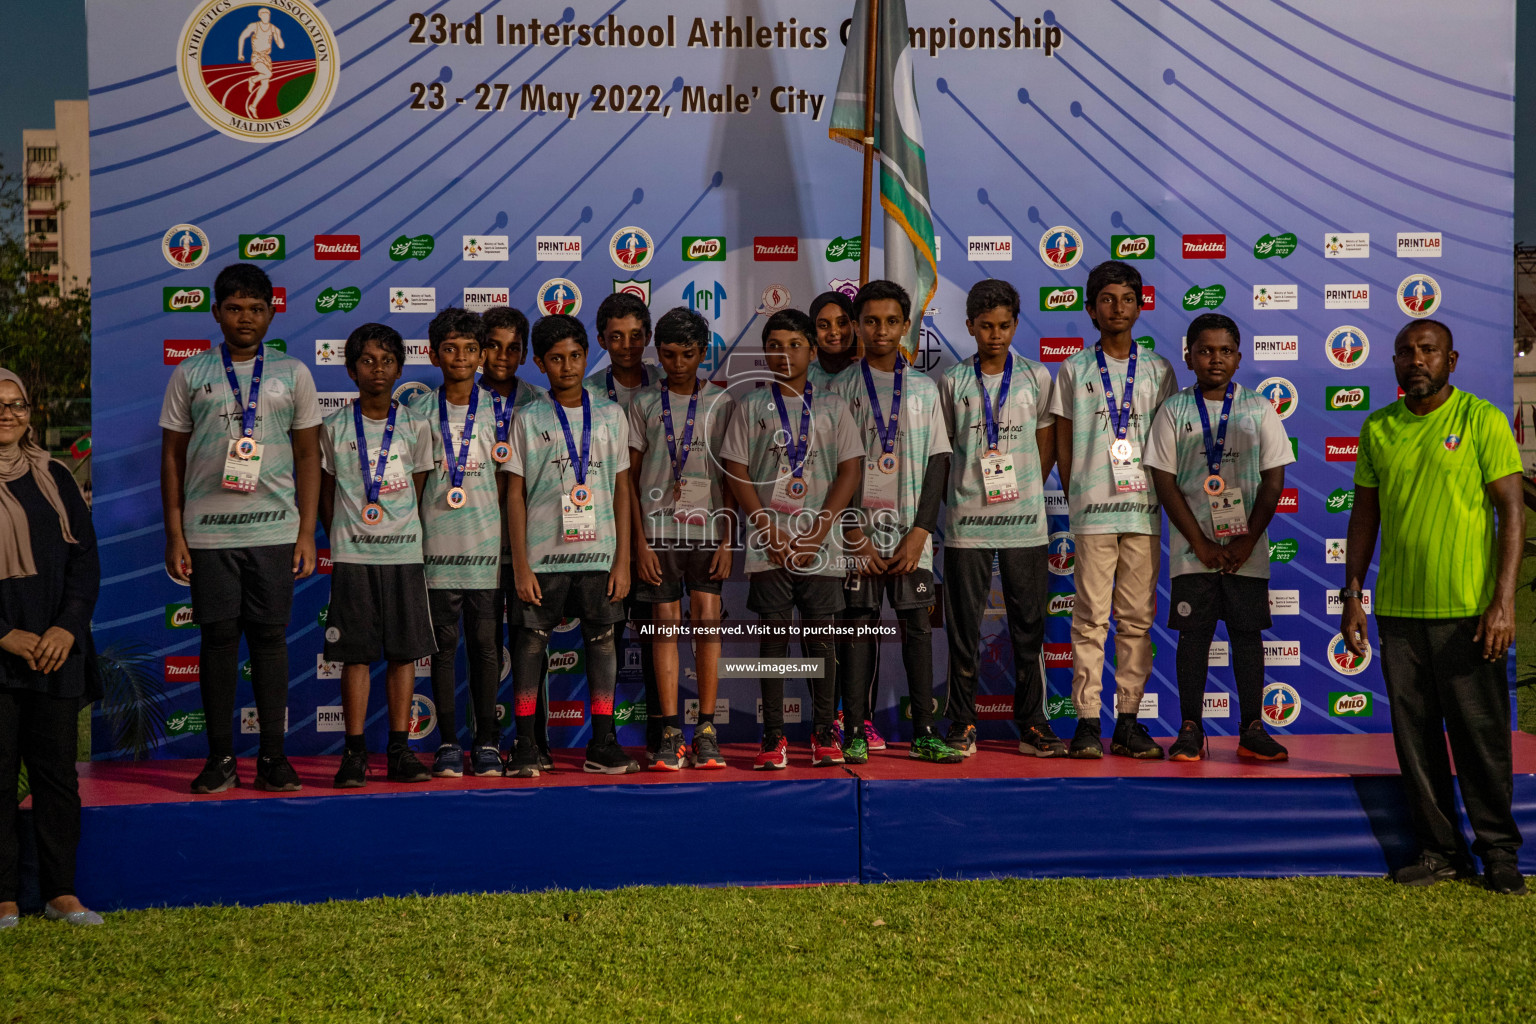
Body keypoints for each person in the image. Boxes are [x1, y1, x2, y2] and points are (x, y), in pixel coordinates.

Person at [1343, 319, 1527, 895]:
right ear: (1395, 362)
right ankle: (1441, 851)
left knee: (1481, 739)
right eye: (1406, 351)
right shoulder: (1378, 428)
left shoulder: (1481, 419)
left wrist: (1502, 604)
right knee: (1416, 742)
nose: (1416, 359)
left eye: (1428, 350)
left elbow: (1512, 512)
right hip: (1399, 614)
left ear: (1452, 359)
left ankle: (1498, 852)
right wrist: (1353, 596)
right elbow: (1364, 518)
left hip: (1470, 613)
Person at [160, 263, 320, 794]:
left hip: (275, 531)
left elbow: (306, 456)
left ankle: (273, 758)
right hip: (208, 535)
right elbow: (172, 459)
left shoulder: (293, 373)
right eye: (234, 308)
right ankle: (221, 757)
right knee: (218, 642)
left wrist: (305, 534)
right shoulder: (190, 373)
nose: (245, 318)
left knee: (271, 641)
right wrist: (176, 534)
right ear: (216, 312)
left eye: (256, 308)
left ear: (271, 313)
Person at [1144, 313, 1292, 762]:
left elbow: (1273, 481)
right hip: (1194, 553)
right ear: (1189, 356)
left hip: (1247, 549)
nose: (1215, 359)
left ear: (1239, 358)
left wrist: (1246, 540)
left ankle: (1252, 727)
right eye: (1205, 350)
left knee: (1247, 635)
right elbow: (1164, 482)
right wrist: (1202, 544)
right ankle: (1190, 728)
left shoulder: (1258, 408)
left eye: (1225, 351)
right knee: (1194, 637)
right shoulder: (1175, 410)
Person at [721, 309, 863, 769]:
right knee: (775, 641)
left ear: (812, 349)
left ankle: (824, 732)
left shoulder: (833, 405)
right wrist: (764, 525)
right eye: (774, 346)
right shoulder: (750, 406)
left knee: (822, 639)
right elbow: (737, 471)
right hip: (770, 545)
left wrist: (820, 529)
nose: (783, 354)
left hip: (822, 545)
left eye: (794, 345)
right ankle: (773, 737)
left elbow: (850, 471)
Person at [1049, 259, 1177, 759]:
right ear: (1090, 308)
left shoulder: (1159, 370)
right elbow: (1063, 442)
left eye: (1126, 299)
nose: (1117, 308)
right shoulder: (1075, 369)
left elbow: (1166, 444)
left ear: (1140, 307)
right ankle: (1086, 720)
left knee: (1137, 621)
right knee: (1088, 620)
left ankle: (1127, 720)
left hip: (1143, 511)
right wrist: (1078, 487)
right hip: (1094, 511)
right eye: (1106, 299)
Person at [506, 314, 638, 777]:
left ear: (587, 356)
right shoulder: (528, 417)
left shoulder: (610, 414)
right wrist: (521, 566)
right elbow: (515, 496)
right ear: (540, 364)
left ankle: (603, 743)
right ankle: (525, 744)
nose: (567, 366)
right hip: (542, 559)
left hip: (600, 556)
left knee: (602, 645)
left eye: (575, 356)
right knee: (529, 647)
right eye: (556, 359)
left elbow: (623, 489)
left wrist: (622, 559)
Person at [832, 281, 957, 765]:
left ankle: (924, 731)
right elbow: (832, 468)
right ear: (858, 326)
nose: (880, 330)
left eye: (890, 321)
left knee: (917, 631)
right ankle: (857, 731)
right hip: (856, 539)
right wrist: (853, 533)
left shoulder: (926, 390)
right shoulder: (840, 388)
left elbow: (938, 464)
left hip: (912, 539)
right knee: (858, 628)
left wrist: (921, 532)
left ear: (906, 326)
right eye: (870, 321)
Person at [939, 279, 1065, 758]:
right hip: (967, 523)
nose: (995, 335)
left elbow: (1047, 443)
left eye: (1004, 326)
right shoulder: (952, 381)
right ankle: (963, 722)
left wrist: (1029, 487)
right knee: (964, 628)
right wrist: (965, 493)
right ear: (970, 326)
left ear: (1016, 324)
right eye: (986, 326)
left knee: (1028, 626)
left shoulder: (1037, 377)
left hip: (1025, 523)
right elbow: (946, 451)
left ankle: (1033, 722)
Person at [0, 370, 102, 928]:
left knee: (57, 778)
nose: (7, 414)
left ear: (29, 411)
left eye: (15, 404)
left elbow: (84, 559)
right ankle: (3, 896)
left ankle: (61, 891)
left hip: (55, 651)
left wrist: (65, 629)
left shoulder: (56, 476)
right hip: (3, 649)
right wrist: (4, 635)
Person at [319, 324, 437, 788]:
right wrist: (348, 537)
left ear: (400, 369)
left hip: (404, 554)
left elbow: (420, 487)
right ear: (351, 370)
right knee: (356, 656)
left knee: (404, 655)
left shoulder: (414, 425)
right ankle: (353, 754)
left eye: (387, 360)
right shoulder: (332, 427)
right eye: (367, 360)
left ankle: (399, 750)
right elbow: (326, 494)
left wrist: (395, 530)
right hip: (352, 556)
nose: (378, 369)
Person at [628, 307, 736, 770]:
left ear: (702, 353)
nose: (677, 364)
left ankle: (707, 729)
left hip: (708, 531)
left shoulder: (723, 403)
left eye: (687, 354)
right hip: (658, 533)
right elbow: (628, 483)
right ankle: (671, 731)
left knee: (708, 621)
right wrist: (639, 544)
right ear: (658, 353)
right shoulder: (643, 405)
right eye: (668, 354)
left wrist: (728, 537)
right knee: (666, 627)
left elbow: (733, 477)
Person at [419, 308, 505, 779]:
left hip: (486, 555)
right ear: (434, 355)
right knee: (444, 651)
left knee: (487, 649)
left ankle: (488, 743)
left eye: (470, 349)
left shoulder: (499, 413)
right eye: (450, 349)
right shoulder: (415, 414)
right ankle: (449, 742)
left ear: (482, 355)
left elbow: (513, 487)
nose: (460, 357)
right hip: (435, 555)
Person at [583, 293, 664, 761]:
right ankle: (605, 738)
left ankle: (660, 736)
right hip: (605, 539)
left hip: (658, 536)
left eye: (636, 336)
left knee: (657, 640)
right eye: (617, 337)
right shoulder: (588, 392)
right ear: (601, 340)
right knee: (606, 642)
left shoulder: (667, 384)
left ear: (648, 338)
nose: (627, 345)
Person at [481, 306, 553, 771]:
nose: (503, 356)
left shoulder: (540, 402)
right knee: (485, 648)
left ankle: (534, 741)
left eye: (513, 348)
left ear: (526, 353)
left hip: (531, 547)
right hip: (479, 545)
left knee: (533, 648)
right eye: (494, 345)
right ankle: (485, 742)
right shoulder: (462, 396)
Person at [808, 291, 857, 391]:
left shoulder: (871, 370)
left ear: (854, 325)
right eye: (824, 325)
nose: (834, 332)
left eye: (842, 323)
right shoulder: (805, 377)